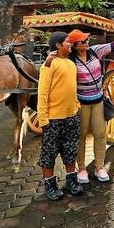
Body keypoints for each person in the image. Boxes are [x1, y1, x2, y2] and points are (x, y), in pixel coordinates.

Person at [67, 27, 114, 184]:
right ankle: (82, 168)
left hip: (98, 100)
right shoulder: (70, 60)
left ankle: (99, 167)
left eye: (86, 40)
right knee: (81, 135)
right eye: (83, 41)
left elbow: (113, 45)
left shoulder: (94, 51)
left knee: (100, 133)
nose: (87, 42)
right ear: (75, 45)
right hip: (81, 103)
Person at [37, 31, 83, 200]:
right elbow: (42, 93)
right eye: (67, 42)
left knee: (70, 149)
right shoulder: (49, 65)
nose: (70, 44)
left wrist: (77, 107)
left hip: (71, 116)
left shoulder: (71, 64)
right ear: (57, 45)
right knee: (49, 153)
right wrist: (43, 118)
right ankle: (50, 184)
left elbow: (73, 89)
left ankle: (71, 181)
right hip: (53, 118)